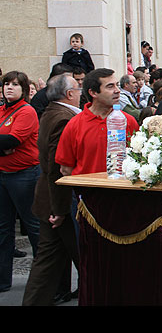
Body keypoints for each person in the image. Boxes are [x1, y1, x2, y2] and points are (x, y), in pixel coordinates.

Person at [22, 74, 82, 305]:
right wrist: (59, 209)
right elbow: (57, 168)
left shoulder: (52, 113)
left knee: (46, 261)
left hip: (52, 200)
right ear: (68, 94)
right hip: (60, 202)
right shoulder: (63, 118)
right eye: (77, 89)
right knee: (87, 261)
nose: (80, 93)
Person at [0, 71, 41, 293]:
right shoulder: (1, 111)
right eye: (6, 84)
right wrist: (4, 147)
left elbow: (13, 139)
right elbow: (5, 142)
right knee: (3, 229)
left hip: (24, 175)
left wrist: (7, 145)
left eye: (15, 84)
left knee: (34, 228)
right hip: (3, 174)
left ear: (23, 89)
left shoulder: (27, 111)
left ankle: (42, 281)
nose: (9, 88)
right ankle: (2, 280)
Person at [55, 68, 139, 176]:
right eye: (110, 86)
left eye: (117, 85)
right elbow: (66, 168)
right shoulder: (74, 125)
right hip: (88, 190)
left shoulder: (128, 121)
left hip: (122, 188)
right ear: (93, 92)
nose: (117, 90)